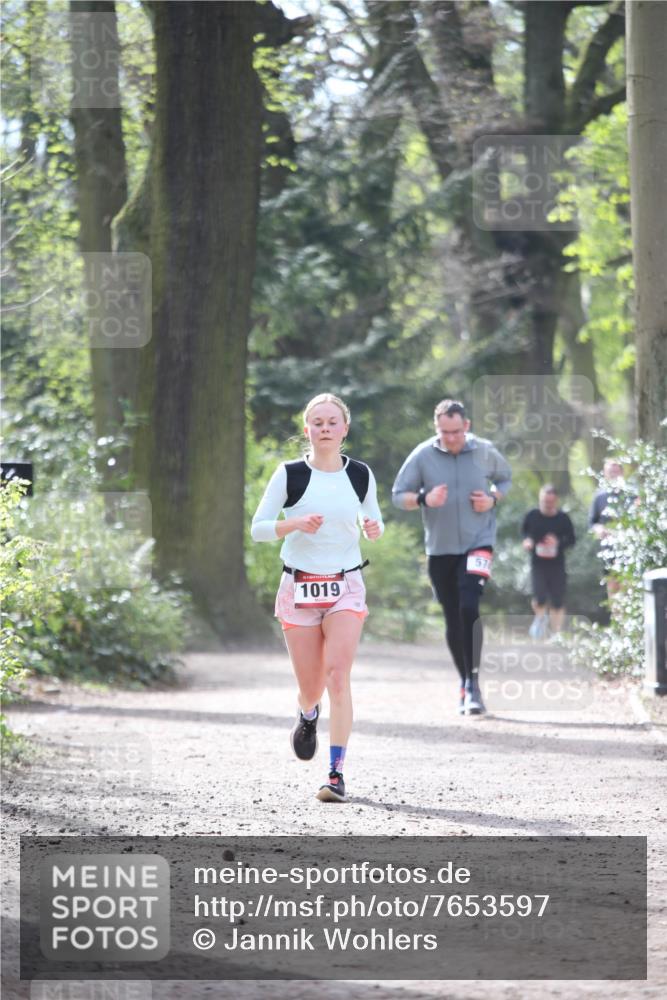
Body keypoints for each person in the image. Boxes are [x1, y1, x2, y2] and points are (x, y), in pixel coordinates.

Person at [251, 393, 383, 803]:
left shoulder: (360, 474)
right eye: (317, 423)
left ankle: (335, 774)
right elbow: (258, 528)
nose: (325, 429)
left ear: (345, 429)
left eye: (332, 422)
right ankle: (308, 714)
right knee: (311, 688)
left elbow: (371, 516)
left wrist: (373, 528)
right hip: (299, 586)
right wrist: (293, 524)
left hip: (345, 584)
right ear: (306, 430)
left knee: (337, 676)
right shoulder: (289, 474)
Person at [392, 399, 511, 716]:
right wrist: (423, 498)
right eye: (445, 432)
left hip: (478, 542)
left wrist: (493, 499)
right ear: (437, 429)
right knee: (452, 615)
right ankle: (464, 682)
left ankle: (474, 685)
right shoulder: (423, 455)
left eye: (456, 431)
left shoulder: (484, 451)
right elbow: (397, 496)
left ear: (467, 426)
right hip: (440, 550)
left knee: (469, 604)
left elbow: (505, 478)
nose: (451, 438)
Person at [522, 485, 576, 639]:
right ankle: (540, 619)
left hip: (557, 563)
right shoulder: (532, 516)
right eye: (545, 502)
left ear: (556, 501)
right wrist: (528, 542)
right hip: (537, 563)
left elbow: (571, 540)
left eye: (551, 502)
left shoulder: (563, 518)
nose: (547, 505)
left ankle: (556, 633)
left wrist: (558, 542)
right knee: (539, 596)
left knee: (557, 599)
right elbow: (525, 534)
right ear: (540, 500)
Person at [588, 458, 627, 600]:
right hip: (609, 550)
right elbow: (592, 522)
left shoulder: (630, 494)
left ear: (622, 472)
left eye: (616, 471)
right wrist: (599, 529)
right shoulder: (599, 497)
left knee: (628, 586)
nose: (613, 475)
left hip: (629, 549)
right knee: (612, 587)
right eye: (610, 472)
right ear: (605, 473)